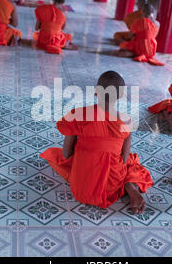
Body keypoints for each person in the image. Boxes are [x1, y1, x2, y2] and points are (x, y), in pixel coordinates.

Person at [40, 71, 153, 213]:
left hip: (80, 189)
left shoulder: (79, 114)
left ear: (96, 92)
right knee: (132, 161)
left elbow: (66, 154)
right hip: (110, 188)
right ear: (121, 96)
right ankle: (129, 186)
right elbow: (123, 159)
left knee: (54, 155)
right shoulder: (126, 121)